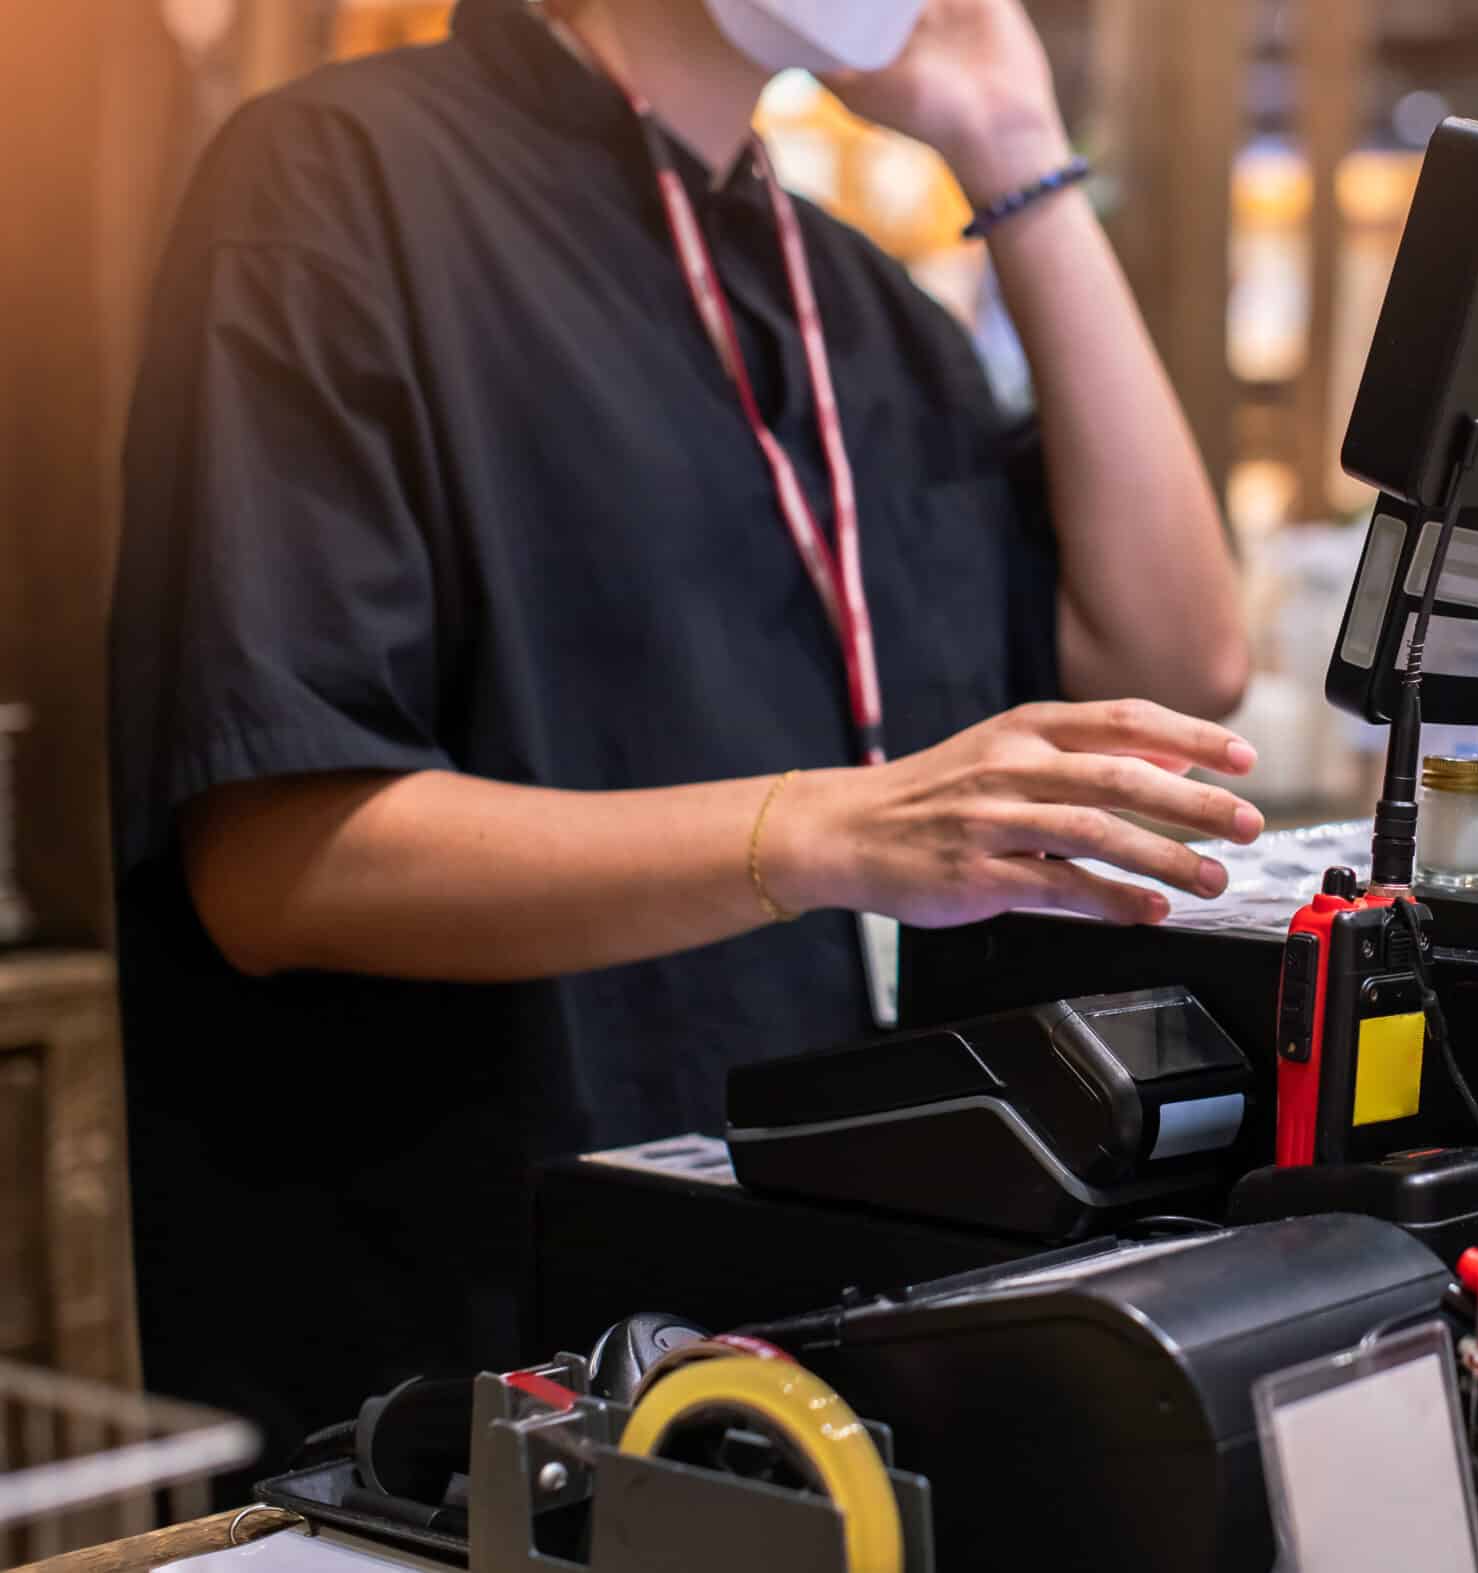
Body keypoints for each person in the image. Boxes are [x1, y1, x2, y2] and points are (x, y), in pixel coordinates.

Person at [107, 0, 1257, 1480]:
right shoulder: (338, 182)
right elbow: (275, 859)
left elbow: (1180, 653)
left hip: (811, 1374)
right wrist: (831, 830)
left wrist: (1015, 148)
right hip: (454, 1410)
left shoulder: (854, 306)